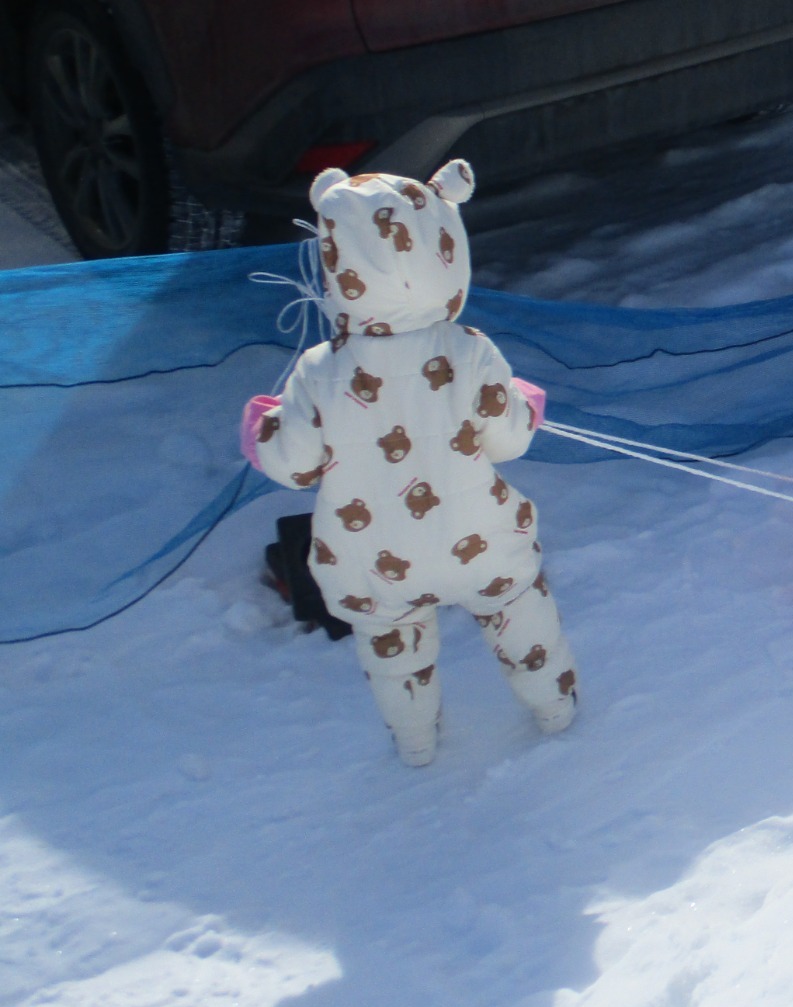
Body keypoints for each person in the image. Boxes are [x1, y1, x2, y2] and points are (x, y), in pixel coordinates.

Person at [241, 159, 578, 767]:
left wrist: (261, 426)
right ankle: (555, 709)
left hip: (371, 557)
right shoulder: (469, 349)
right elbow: (507, 441)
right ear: (445, 250)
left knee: (392, 645)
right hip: (476, 540)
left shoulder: (320, 369)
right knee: (518, 610)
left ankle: (417, 742)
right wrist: (525, 406)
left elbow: (293, 464)